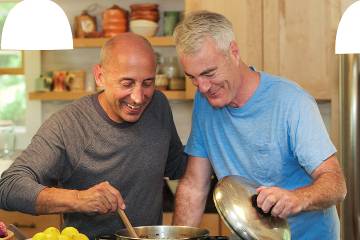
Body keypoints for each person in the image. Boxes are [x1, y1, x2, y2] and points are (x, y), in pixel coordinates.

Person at [172, 11, 347, 240]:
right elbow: (195, 186)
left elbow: (335, 184)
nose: (203, 87)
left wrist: (297, 198)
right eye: (192, 77)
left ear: (233, 53)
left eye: (209, 73)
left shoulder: (290, 102)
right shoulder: (204, 102)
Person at [0, 33, 187, 239]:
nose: (138, 97)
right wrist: (80, 199)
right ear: (100, 77)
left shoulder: (157, 105)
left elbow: (177, 165)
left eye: (148, 83)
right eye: (127, 83)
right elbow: (9, 186)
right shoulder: (69, 125)